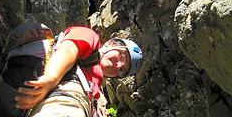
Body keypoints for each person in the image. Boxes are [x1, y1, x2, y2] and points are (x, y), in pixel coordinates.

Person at [14, 26, 143, 117]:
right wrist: (51, 78)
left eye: (122, 71)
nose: (118, 66)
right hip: (63, 101)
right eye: (121, 56)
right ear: (110, 44)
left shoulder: (97, 89)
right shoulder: (91, 38)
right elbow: (69, 48)